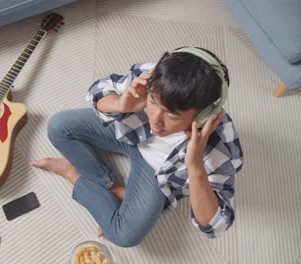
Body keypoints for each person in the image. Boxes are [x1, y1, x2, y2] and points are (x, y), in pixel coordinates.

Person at [30, 47, 244, 247]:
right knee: (58, 126)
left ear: (203, 114)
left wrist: (195, 164)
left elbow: (215, 224)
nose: (156, 121)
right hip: (127, 132)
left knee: (124, 235)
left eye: (171, 116)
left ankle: (73, 174)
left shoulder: (222, 144)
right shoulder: (154, 77)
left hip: (156, 172)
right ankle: (113, 188)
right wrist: (120, 104)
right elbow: (99, 89)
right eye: (152, 102)